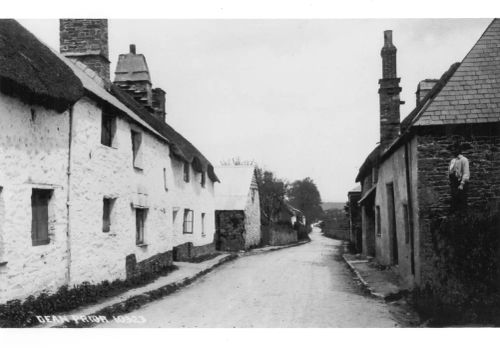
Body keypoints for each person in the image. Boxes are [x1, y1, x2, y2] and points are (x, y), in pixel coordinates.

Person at [448, 142, 470, 211]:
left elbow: (466, 173)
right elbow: (450, 171)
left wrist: (462, 184)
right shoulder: (453, 160)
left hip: (461, 184)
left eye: (455, 149)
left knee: (462, 202)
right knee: (455, 202)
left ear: (459, 150)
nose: (453, 151)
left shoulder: (464, 160)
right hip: (454, 184)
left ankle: (463, 218)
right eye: (453, 149)